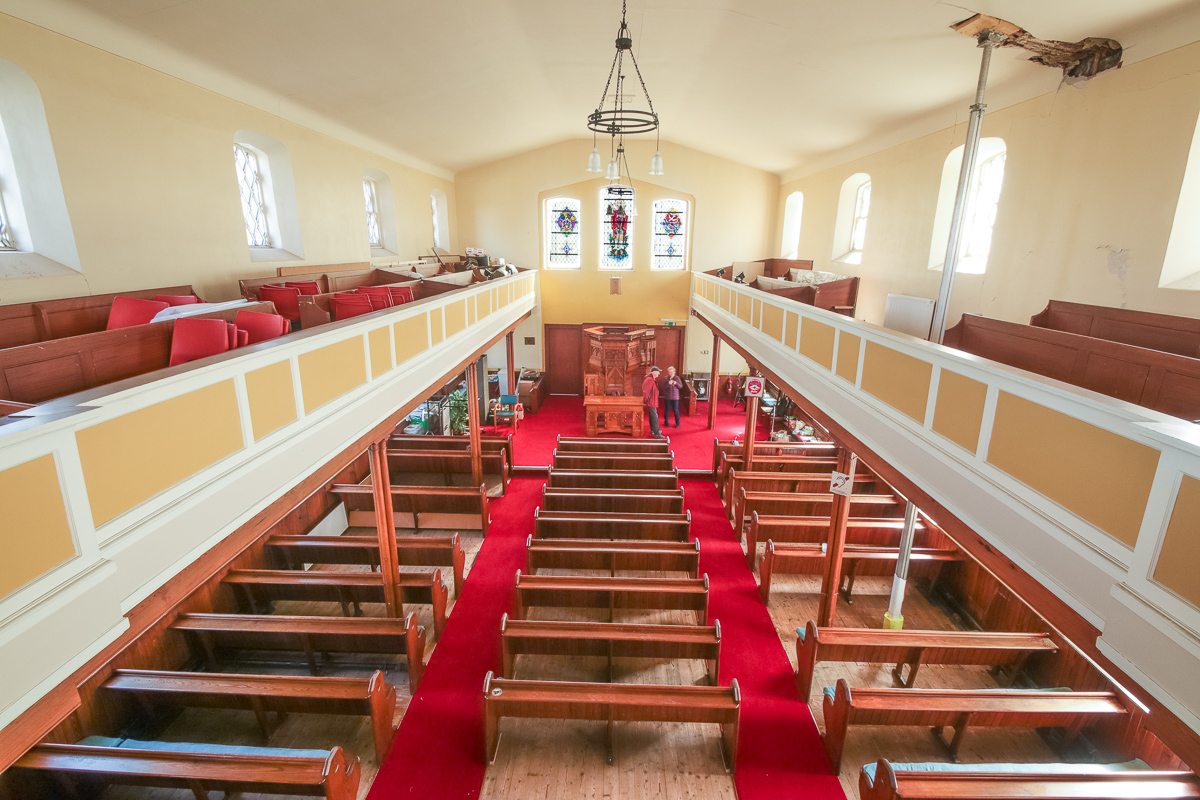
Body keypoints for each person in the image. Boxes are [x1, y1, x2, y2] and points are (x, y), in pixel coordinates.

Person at [642, 366, 663, 438]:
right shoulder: (650, 380)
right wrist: (645, 400)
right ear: (654, 372)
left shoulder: (651, 379)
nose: (659, 373)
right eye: (658, 372)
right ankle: (657, 434)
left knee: (652, 416)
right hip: (651, 401)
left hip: (653, 400)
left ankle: (653, 430)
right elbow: (646, 391)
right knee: (655, 417)